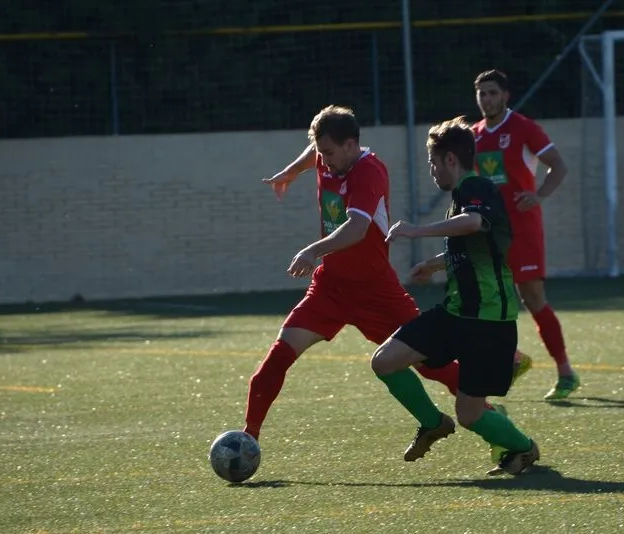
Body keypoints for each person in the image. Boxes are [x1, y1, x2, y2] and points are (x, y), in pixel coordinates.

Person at [243, 105, 466, 441]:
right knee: (276, 359)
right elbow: (313, 153)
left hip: (377, 292)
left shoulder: (369, 171)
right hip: (330, 288)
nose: (324, 160)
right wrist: (290, 173)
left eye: (329, 153)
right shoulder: (329, 156)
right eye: (321, 153)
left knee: (434, 365)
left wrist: (313, 250)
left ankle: (489, 421)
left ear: (350, 145)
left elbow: (357, 228)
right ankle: (248, 438)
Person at [374, 116, 540, 476]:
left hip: (488, 321)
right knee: (385, 361)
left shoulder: (477, 186)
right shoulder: (460, 199)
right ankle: (432, 423)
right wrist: (435, 265)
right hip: (455, 313)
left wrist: (416, 231)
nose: (432, 170)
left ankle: (524, 448)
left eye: (433, 161)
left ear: (450, 159)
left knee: (470, 415)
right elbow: (471, 245)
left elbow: (474, 223)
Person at [471, 69, 580, 401]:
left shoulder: (524, 128)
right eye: (481, 93)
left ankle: (565, 372)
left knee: (532, 298)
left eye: (492, 92)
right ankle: (514, 359)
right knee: (485, 299)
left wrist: (539, 195)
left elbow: (558, 165)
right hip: (490, 231)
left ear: (506, 95)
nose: (486, 99)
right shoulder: (474, 135)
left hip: (522, 229)